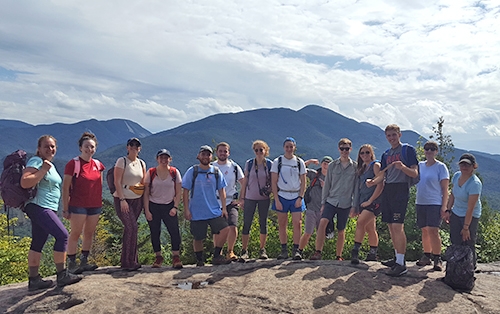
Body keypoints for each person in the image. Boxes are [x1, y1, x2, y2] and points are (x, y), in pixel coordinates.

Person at [21, 135, 82, 291]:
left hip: (45, 207)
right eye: (46, 146)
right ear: (39, 148)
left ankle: (34, 280)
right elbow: (25, 182)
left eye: (53, 146)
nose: (50, 149)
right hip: (38, 206)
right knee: (62, 236)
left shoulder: (49, 164)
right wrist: (43, 170)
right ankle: (62, 275)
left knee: (38, 242)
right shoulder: (37, 162)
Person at [367, 124, 419, 277]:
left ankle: (402, 264)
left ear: (399, 135)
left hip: (401, 189)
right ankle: (397, 258)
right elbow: (382, 176)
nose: (391, 138)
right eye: (389, 135)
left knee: (397, 226)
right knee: (391, 226)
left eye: (394, 135)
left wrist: (402, 167)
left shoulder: (408, 150)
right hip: (389, 189)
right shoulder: (386, 154)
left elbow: (415, 173)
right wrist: (373, 182)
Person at [62, 132, 105, 274]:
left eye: (92, 147)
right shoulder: (73, 164)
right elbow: (66, 187)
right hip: (78, 205)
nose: (89, 149)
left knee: (89, 233)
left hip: (94, 205)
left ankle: (84, 261)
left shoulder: (98, 165)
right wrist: (65, 208)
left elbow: (100, 185)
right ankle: (72, 263)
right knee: (75, 233)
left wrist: (100, 202)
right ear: (80, 147)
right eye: (86, 146)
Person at [182, 145, 231, 266]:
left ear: (211, 156)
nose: (205, 157)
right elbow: (185, 191)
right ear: (198, 156)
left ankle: (216, 255)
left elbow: (222, 190)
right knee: (198, 238)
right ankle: (200, 261)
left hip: (213, 210)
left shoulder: (215, 172)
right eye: (203, 154)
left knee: (225, 229)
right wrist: (186, 209)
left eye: (208, 154)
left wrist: (224, 208)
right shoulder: (192, 171)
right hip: (197, 212)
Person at [310, 138, 357, 261]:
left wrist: (354, 205)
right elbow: (327, 185)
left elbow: (356, 188)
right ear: (339, 149)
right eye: (342, 148)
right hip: (331, 200)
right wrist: (323, 202)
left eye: (347, 148)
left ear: (350, 149)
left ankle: (338, 256)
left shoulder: (355, 167)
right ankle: (318, 252)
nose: (344, 151)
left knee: (341, 230)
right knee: (322, 223)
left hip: (346, 202)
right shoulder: (332, 166)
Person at [143, 149, 183, 269]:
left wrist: (175, 207)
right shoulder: (151, 172)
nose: (164, 160)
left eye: (166, 158)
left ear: (170, 159)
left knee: (174, 231)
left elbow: (178, 191)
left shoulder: (174, 172)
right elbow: (146, 193)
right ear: (157, 159)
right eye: (161, 158)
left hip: (169, 205)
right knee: (155, 232)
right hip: (153, 205)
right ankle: (158, 257)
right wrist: (147, 210)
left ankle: (176, 257)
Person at [415, 141, 449, 271]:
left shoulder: (441, 167)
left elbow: (445, 189)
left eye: (432, 149)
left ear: (436, 151)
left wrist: (444, 207)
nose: (429, 151)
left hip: (434, 202)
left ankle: (437, 258)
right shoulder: (420, 166)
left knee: (433, 231)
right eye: (427, 149)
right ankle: (426, 255)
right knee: (424, 230)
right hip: (420, 202)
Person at [113, 137, 146, 271]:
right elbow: (116, 182)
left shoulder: (142, 163)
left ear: (140, 148)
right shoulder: (122, 161)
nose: (134, 147)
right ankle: (129, 261)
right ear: (127, 147)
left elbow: (143, 182)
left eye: (136, 145)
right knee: (132, 227)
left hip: (137, 199)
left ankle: (130, 260)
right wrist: (122, 200)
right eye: (131, 145)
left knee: (131, 229)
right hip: (123, 199)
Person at [271, 137, 306, 260]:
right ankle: (284, 250)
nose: (289, 149)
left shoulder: (299, 162)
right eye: (287, 146)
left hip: (296, 195)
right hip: (282, 195)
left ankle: (296, 250)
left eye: (291, 146)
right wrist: (276, 199)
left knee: (297, 224)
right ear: (283, 147)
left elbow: (303, 182)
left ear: (294, 148)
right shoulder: (278, 161)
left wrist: (300, 197)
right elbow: (273, 181)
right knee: (282, 224)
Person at [444, 153, 482, 266]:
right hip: (456, 212)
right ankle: (455, 268)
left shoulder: (475, 183)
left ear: (474, 166)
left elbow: (470, 208)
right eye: (462, 164)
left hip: (471, 215)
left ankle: (470, 269)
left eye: (467, 165)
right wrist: (448, 210)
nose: (464, 167)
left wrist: (466, 227)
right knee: (455, 240)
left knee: (468, 242)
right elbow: (453, 195)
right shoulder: (456, 176)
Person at [351, 144, 384, 264]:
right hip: (363, 201)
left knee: (360, 223)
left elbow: (380, 184)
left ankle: (355, 252)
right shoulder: (362, 168)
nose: (365, 155)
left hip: (373, 201)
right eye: (362, 153)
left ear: (371, 154)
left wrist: (371, 200)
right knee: (370, 228)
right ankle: (373, 253)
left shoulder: (375, 165)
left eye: (367, 152)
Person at [239, 140, 272, 260]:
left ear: (265, 151)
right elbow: (245, 181)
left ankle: (262, 249)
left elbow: (273, 181)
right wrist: (242, 198)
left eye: (261, 150)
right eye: (256, 150)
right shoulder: (249, 164)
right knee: (246, 223)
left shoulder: (269, 164)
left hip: (264, 198)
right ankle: (244, 250)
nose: (258, 152)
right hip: (249, 198)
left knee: (263, 223)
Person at [295, 156, 333, 260]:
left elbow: (335, 193)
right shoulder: (315, 174)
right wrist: (310, 161)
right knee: (308, 232)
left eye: (328, 164)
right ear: (321, 164)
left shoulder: (332, 178)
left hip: (323, 210)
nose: (326, 165)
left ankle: (318, 253)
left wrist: (326, 186)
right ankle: (299, 251)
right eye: (324, 163)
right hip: (311, 208)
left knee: (320, 234)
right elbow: (300, 169)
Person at [211, 142, 244, 261]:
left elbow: (243, 182)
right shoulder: (211, 167)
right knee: (217, 229)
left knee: (233, 225)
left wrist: (241, 199)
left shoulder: (234, 167)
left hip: (230, 201)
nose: (223, 153)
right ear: (216, 152)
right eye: (220, 151)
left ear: (228, 153)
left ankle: (230, 251)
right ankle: (217, 252)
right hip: (215, 202)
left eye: (225, 151)